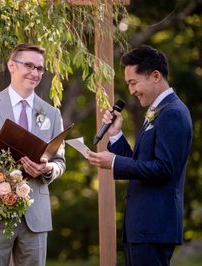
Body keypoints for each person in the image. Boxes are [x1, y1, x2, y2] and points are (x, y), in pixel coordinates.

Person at [0, 43, 66, 266]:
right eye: (28, 65)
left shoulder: (52, 113)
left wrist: (47, 169)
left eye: (39, 68)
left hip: (36, 214)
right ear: (11, 66)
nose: (34, 73)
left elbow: (60, 162)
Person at [87, 45, 193, 266]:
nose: (132, 90)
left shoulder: (173, 112)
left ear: (156, 76)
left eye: (133, 82)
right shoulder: (158, 110)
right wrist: (116, 135)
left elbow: (164, 169)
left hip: (154, 227)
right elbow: (141, 164)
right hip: (142, 228)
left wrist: (114, 162)